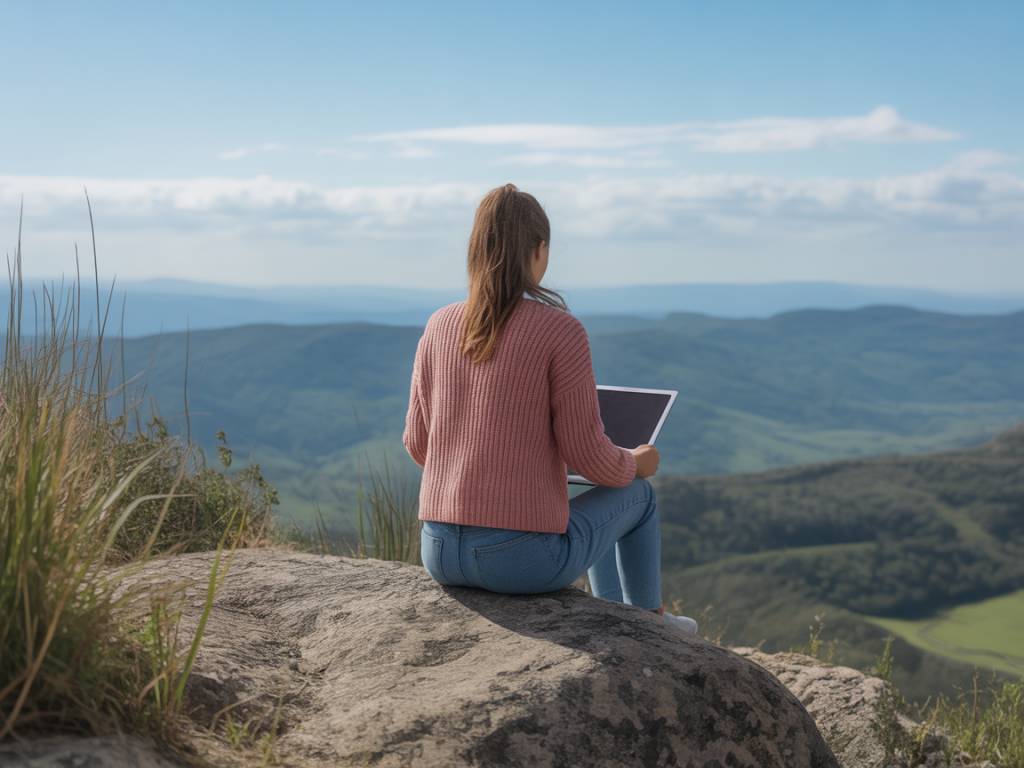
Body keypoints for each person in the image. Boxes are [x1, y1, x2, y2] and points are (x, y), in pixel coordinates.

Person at [402, 182, 698, 635]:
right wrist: (634, 463)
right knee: (637, 496)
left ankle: (621, 618)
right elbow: (587, 456)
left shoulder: (439, 324)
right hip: (520, 564)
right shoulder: (560, 331)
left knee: (605, 498)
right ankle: (647, 625)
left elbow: (419, 445)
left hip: (439, 553)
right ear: (539, 250)